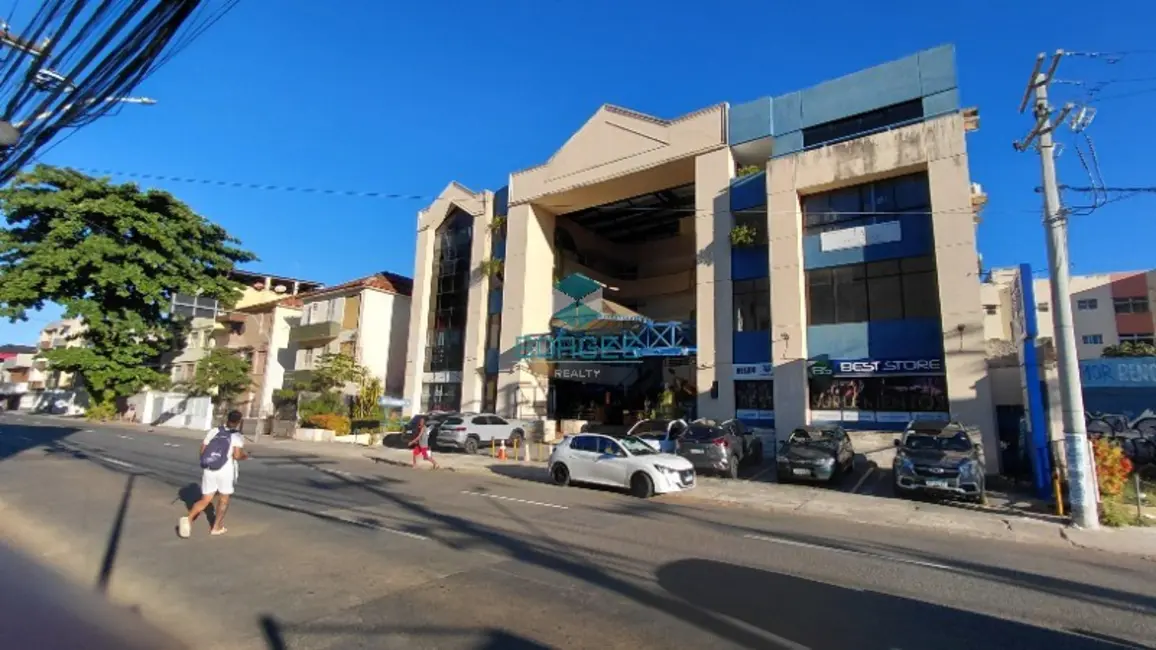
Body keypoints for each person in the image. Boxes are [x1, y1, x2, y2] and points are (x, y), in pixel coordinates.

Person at [178, 410, 248, 538]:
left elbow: (203, 450)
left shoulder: (214, 431)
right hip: (225, 471)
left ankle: (188, 519)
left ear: (227, 419)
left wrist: (208, 463)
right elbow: (237, 455)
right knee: (224, 499)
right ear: (238, 422)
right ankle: (216, 527)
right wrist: (245, 456)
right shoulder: (237, 436)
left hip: (209, 470)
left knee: (206, 499)